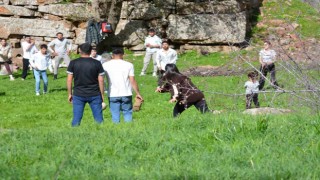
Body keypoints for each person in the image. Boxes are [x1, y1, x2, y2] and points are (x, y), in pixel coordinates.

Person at [67, 43, 105, 127]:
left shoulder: (73, 63)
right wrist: (102, 94)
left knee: (76, 118)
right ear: (91, 51)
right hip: (94, 93)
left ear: (80, 50)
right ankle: (101, 134)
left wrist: (70, 94)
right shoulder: (97, 63)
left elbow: (69, 80)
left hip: (78, 94)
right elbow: (101, 80)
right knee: (99, 119)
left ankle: (74, 135)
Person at [103, 48, 143, 123]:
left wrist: (101, 93)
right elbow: (132, 80)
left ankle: (116, 129)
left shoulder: (105, 65)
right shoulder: (129, 65)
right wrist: (138, 93)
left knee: (115, 114)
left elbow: (101, 79)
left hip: (112, 93)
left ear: (112, 55)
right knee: (127, 112)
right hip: (126, 93)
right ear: (122, 55)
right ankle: (128, 127)